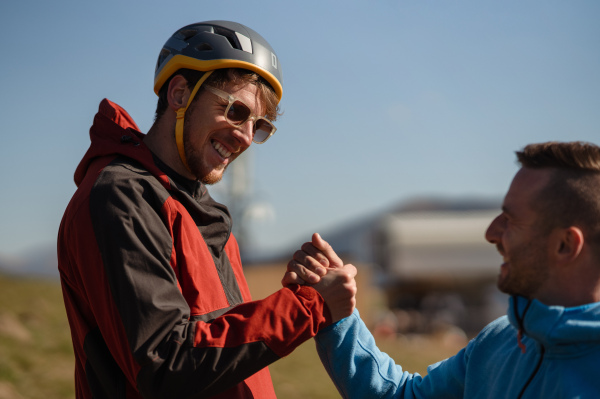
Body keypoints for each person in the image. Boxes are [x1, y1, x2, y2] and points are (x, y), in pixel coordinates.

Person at [57, 20, 357, 399]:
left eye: (259, 125)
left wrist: (303, 292)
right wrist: (305, 307)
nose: (247, 137)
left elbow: (217, 348)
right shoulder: (121, 197)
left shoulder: (204, 216)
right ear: (180, 93)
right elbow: (166, 364)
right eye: (236, 111)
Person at [285, 141, 600, 398]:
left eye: (511, 220)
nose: (491, 232)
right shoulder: (498, 340)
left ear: (564, 245)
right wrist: (336, 312)